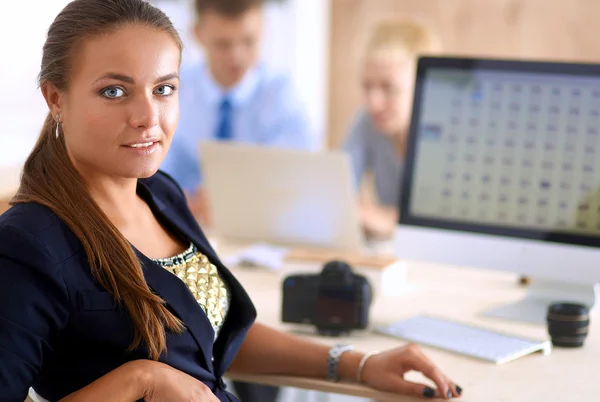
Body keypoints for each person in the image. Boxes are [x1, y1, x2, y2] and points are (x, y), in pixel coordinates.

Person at [0, 1, 462, 401]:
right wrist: (139, 380)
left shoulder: (159, 194)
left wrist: (356, 364)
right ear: (55, 98)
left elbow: (215, 334)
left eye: (164, 89)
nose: (148, 117)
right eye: (114, 91)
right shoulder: (28, 244)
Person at [160, 0, 315, 225]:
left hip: (261, 230)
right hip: (186, 226)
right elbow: (153, 174)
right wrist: (174, 199)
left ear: (263, 29)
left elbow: (297, 185)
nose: (237, 56)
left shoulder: (285, 98)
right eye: (223, 44)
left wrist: (233, 203)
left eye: (248, 42)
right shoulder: (172, 93)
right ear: (197, 34)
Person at [343, 18, 440, 239]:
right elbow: (337, 195)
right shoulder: (366, 123)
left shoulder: (441, 134)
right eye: (367, 86)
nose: (373, 103)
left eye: (389, 88)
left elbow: (440, 224)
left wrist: (383, 219)